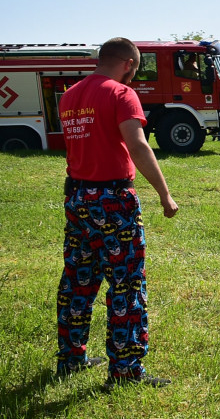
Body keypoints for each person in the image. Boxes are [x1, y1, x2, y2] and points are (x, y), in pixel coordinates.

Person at [56, 37, 178, 388]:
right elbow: (137, 144)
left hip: (78, 198)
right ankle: (125, 371)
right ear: (128, 63)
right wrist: (165, 194)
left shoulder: (70, 95)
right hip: (113, 200)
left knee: (79, 279)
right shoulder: (120, 94)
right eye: (135, 70)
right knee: (126, 284)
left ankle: (71, 357)